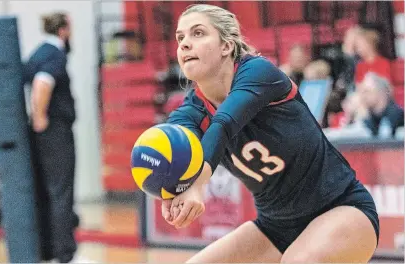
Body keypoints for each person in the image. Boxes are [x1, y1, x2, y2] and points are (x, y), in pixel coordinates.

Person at [162, 4, 379, 263]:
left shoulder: (258, 72)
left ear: (226, 46)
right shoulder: (190, 111)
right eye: (180, 37)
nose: (185, 44)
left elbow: (224, 124)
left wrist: (196, 183)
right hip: (275, 229)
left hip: (343, 209)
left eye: (198, 33)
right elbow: (166, 148)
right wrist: (172, 190)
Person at [24, 12, 81, 263]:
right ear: (64, 30)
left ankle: (47, 250)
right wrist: (40, 117)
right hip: (54, 132)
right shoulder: (54, 54)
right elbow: (42, 83)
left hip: (43, 135)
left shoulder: (38, 52)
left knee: (47, 190)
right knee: (61, 190)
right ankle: (64, 254)